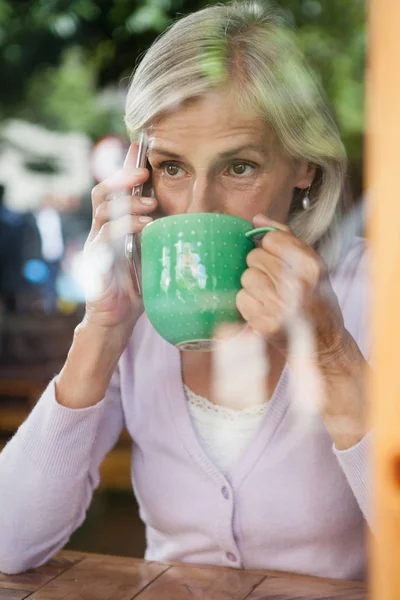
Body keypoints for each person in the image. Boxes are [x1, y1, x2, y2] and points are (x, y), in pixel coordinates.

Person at [0, 0, 370, 579]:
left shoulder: (376, 294)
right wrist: (102, 329)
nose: (199, 208)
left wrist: (332, 356)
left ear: (304, 165)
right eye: (172, 167)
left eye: (239, 167)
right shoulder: (139, 309)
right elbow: (8, 543)